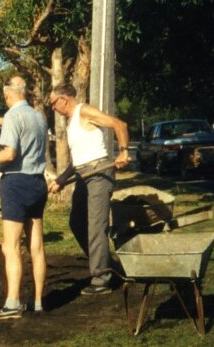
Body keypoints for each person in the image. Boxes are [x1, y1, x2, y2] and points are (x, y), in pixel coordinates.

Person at [0, 76, 48, 319]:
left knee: (10, 246)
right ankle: (37, 303)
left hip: (17, 184)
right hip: (38, 182)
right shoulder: (39, 117)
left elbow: (9, 153)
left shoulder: (13, 116)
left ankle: (12, 304)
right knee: (36, 246)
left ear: (7, 96)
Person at [46, 83, 130, 295]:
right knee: (76, 222)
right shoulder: (72, 121)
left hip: (99, 173)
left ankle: (102, 278)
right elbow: (77, 160)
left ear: (63, 99)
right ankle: (108, 265)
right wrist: (61, 180)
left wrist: (123, 151)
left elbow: (120, 125)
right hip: (84, 174)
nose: (53, 109)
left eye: (53, 104)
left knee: (95, 226)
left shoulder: (84, 111)